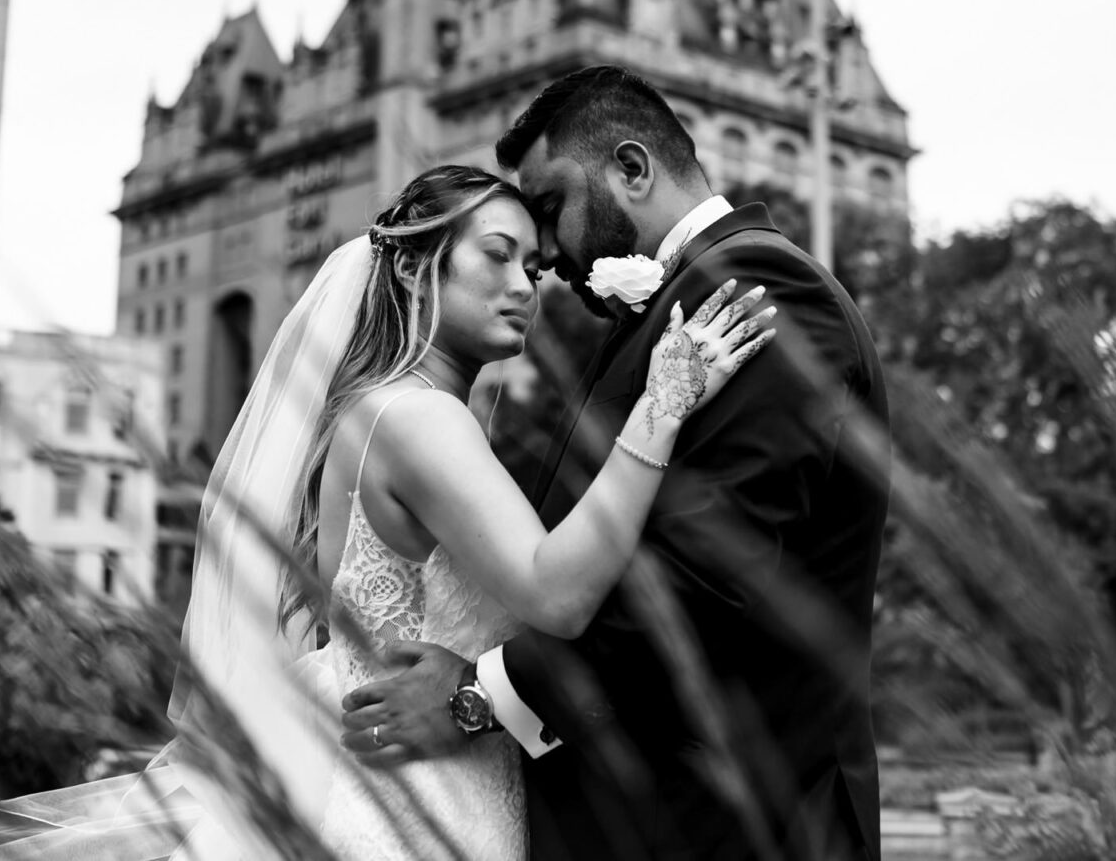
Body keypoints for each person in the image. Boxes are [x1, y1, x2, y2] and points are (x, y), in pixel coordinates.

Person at [0, 164, 774, 860]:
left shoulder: (375, 407)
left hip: (385, 777)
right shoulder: (419, 417)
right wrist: (664, 402)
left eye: (534, 266)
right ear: (413, 262)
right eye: (496, 255)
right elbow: (557, 595)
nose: (524, 283)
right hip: (417, 805)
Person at [340, 67, 891, 861]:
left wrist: (476, 695)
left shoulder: (762, 288)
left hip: (736, 828)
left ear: (631, 168)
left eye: (552, 206)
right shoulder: (663, 313)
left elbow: (700, 580)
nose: (551, 254)